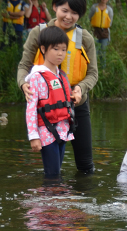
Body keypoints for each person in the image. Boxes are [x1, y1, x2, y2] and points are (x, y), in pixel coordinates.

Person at [18, 0, 98, 175]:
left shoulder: (85, 38)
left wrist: (80, 88)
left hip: (76, 105)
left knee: (86, 166)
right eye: (65, 10)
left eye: (75, 13)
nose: (69, 17)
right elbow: (24, 65)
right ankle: (52, 195)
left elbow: (93, 73)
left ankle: (82, 199)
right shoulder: (38, 33)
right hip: (46, 111)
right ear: (54, 7)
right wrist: (23, 84)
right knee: (53, 168)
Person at [25, 26, 74, 178]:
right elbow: (31, 108)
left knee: (56, 172)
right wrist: (33, 136)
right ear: (43, 49)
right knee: (52, 175)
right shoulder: (37, 77)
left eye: (63, 49)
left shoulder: (61, 76)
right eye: (55, 49)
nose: (60, 53)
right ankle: (47, 200)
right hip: (46, 132)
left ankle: (53, 200)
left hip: (62, 130)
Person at [88, 0, 113, 67]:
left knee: (103, 53)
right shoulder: (94, 7)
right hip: (95, 32)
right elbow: (89, 18)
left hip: (104, 33)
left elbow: (110, 22)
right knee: (94, 52)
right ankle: (93, 69)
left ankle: (103, 69)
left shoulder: (109, 9)